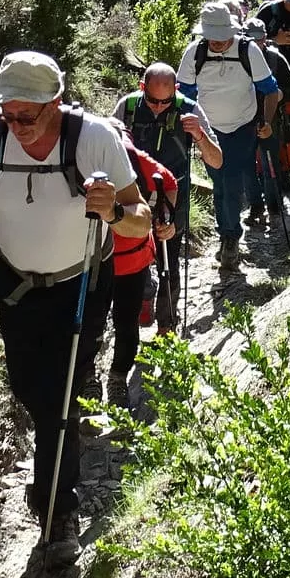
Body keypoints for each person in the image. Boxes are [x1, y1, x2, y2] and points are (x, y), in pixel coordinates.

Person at [0, 51, 151, 555]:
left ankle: (56, 509)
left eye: (27, 115)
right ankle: (53, 472)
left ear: (56, 103)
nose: (17, 124)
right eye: (9, 113)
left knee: (59, 399)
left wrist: (112, 209)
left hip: (82, 283)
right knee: (30, 387)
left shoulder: (94, 139)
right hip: (16, 283)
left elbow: (141, 218)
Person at [113, 63, 221, 336]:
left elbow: (216, 161)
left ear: (176, 90)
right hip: (131, 196)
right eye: (152, 100)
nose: (159, 107)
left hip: (173, 199)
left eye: (166, 100)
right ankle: (142, 300)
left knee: (169, 262)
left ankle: (167, 325)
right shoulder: (126, 108)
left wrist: (200, 135)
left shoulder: (190, 109)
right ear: (142, 88)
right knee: (132, 259)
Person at [176, 2, 278, 269]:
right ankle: (227, 233)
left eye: (223, 37)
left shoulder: (248, 50)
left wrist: (266, 122)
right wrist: (188, 126)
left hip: (242, 128)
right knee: (220, 182)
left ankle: (230, 238)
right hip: (207, 130)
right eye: (214, 37)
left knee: (229, 180)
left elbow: (271, 90)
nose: (219, 42)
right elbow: (183, 95)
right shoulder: (194, 53)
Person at [97, 116, 178, 399]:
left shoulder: (133, 158)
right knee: (115, 322)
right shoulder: (128, 156)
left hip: (120, 259)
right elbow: (169, 183)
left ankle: (115, 376)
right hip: (108, 259)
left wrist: (165, 216)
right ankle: (102, 378)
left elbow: (168, 183)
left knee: (120, 321)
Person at [240, 19, 290, 228]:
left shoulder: (276, 59)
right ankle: (255, 206)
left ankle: (274, 206)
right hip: (242, 121)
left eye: (258, 40)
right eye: (250, 39)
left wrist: (280, 94)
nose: (254, 43)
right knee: (247, 168)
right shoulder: (237, 59)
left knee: (270, 166)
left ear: (265, 39)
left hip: (270, 122)